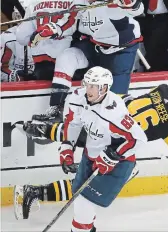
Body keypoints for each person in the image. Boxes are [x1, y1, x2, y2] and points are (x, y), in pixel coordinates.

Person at [15, 83, 168, 222]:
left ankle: (40, 128)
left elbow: (130, 98)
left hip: (109, 119)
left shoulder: (163, 90)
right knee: (93, 184)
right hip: (117, 148)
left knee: (79, 132)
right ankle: (36, 192)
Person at [19, 66, 148, 231]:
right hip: (91, 156)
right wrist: (67, 148)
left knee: (83, 204)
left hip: (118, 164)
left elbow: (138, 140)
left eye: (93, 86)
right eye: (87, 84)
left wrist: (111, 157)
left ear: (104, 88)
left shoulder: (115, 111)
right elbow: (72, 124)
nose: (88, 89)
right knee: (80, 204)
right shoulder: (77, 97)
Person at [16, 0, 83, 81]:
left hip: (40, 67)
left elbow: (21, 37)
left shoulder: (35, 2)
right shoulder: (75, 0)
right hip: (66, 65)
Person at [1, 0, 35, 82]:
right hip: (17, 86)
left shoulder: (45, 34)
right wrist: (16, 76)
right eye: (17, 14)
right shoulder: (7, 37)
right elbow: (2, 69)